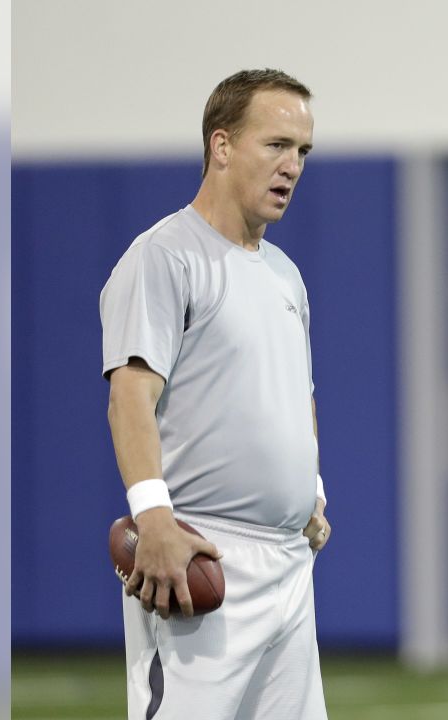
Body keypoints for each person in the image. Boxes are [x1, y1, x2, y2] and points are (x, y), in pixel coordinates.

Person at [100, 68, 331, 720]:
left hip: (290, 565)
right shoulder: (164, 257)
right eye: (277, 145)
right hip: (202, 559)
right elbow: (129, 399)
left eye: (304, 152)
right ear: (222, 146)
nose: (293, 166)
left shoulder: (285, 274)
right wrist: (154, 521)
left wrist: (311, 490)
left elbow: (297, 396)